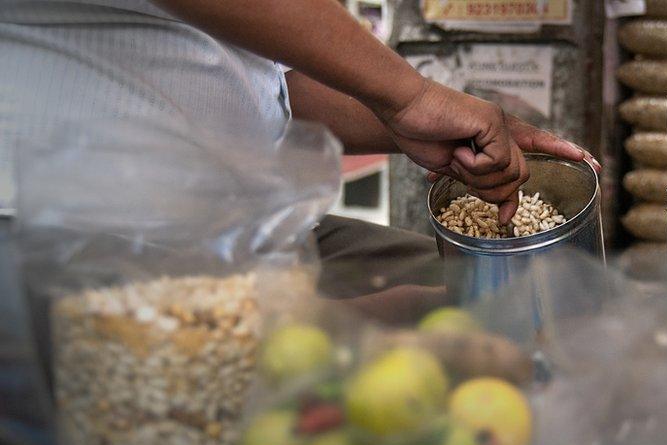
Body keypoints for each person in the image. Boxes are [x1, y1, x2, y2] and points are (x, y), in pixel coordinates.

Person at [0, 0, 596, 298]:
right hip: (82, 231)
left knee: (515, 304)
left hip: (245, 225)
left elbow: (269, 78)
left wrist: (416, 119)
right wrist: (408, 94)